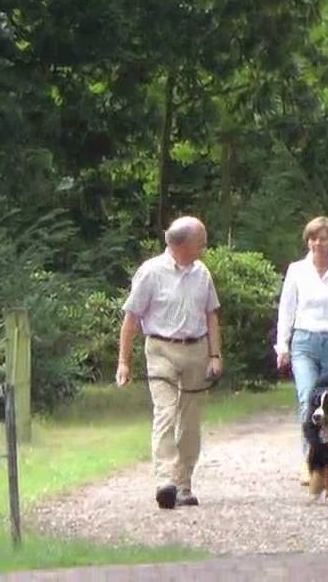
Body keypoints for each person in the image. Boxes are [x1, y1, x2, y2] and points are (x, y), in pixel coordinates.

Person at [116, 216, 223, 510]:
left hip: (196, 350)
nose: (204, 247)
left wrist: (215, 355)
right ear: (183, 244)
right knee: (165, 413)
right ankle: (166, 480)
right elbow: (131, 319)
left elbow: (211, 315)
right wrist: (123, 362)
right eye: (200, 242)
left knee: (190, 422)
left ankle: (184, 483)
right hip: (161, 349)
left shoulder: (202, 273)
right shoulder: (150, 273)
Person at [274, 216, 328, 483]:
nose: (317, 244)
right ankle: (311, 460)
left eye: (322, 239)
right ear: (307, 241)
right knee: (307, 399)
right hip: (304, 341)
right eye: (313, 238)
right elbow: (287, 309)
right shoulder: (297, 270)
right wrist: (283, 345)